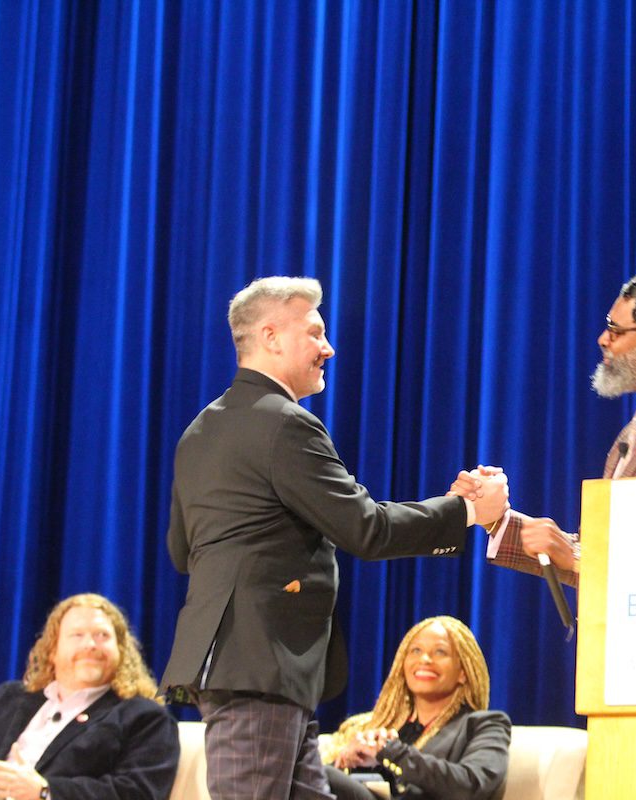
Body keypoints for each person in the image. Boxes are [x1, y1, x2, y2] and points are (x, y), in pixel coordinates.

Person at [160, 276, 509, 800]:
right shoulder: (285, 425)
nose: (329, 347)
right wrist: (466, 510)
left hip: (249, 668)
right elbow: (365, 528)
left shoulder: (199, 430)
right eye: (316, 332)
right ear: (272, 337)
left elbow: (181, 551)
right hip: (262, 666)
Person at [453, 258, 636, 587]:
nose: (602, 339)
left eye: (615, 329)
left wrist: (577, 556)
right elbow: (603, 557)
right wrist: (498, 520)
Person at [0, 593, 179, 800]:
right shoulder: (9, 698)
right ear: (52, 650)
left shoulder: (143, 716)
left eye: (102, 636)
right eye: (77, 635)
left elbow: (138, 792)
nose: (90, 644)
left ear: (121, 651)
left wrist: (44, 791)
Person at [324, 616, 509, 800]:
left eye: (440, 652)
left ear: (463, 672)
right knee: (313, 774)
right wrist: (346, 762)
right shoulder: (383, 726)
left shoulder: (484, 725)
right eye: (416, 650)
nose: (425, 659)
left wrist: (390, 752)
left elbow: (472, 786)